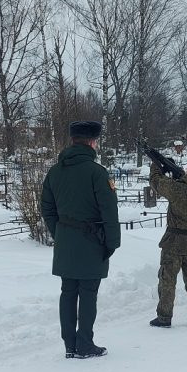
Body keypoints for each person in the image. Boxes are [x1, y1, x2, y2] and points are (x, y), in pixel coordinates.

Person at [40, 121, 120, 359]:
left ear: (72, 140)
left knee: (68, 291)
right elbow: (109, 211)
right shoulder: (97, 172)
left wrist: (60, 232)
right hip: (92, 240)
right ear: (93, 142)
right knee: (88, 292)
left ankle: (69, 344)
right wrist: (112, 243)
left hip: (66, 240)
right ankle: (84, 342)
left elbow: (47, 207)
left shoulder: (54, 171)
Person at [148, 156, 187, 328]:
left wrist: (156, 165)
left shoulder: (179, 188)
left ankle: (164, 317)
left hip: (174, 241)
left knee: (168, 280)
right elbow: (185, 185)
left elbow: (156, 181)